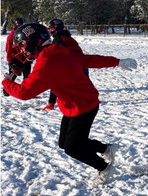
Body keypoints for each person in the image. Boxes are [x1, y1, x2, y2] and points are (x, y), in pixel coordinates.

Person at [2, 23, 138, 184]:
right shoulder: (58, 51)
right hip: (72, 105)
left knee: (72, 148)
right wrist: (117, 61)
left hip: (84, 106)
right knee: (64, 143)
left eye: (23, 44)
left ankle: (105, 168)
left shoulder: (47, 62)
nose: (23, 49)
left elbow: (25, 93)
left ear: (34, 41)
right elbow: (87, 60)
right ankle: (106, 149)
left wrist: (6, 82)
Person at [42, 19, 90, 111]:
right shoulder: (67, 36)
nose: (50, 30)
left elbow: (56, 54)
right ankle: (91, 98)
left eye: (51, 28)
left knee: (54, 82)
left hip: (72, 64)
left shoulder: (58, 38)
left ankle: (51, 103)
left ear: (56, 28)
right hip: (81, 62)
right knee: (85, 81)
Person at [3, 17, 32, 96]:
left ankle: (27, 91)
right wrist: (10, 61)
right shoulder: (11, 36)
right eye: (19, 25)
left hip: (25, 58)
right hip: (15, 59)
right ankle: (6, 91)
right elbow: (8, 49)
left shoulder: (26, 35)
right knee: (13, 75)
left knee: (27, 76)